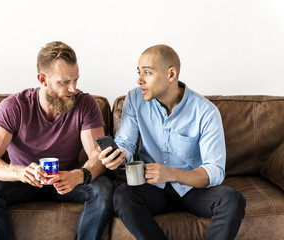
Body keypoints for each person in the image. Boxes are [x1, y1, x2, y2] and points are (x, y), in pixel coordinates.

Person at [99, 44, 246, 240]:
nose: (139, 80)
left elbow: (215, 171)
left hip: (193, 189)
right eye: (139, 72)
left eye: (147, 73)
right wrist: (119, 156)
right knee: (123, 195)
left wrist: (171, 174)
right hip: (152, 189)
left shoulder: (206, 112)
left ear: (171, 74)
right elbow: (125, 142)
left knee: (232, 200)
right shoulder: (134, 99)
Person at [0, 41, 113, 240]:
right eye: (64, 82)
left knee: (104, 187)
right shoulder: (14, 107)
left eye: (76, 80)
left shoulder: (85, 104)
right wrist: (20, 172)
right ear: (42, 79)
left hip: (66, 181)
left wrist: (79, 175)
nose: (73, 89)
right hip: (23, 181)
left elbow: (97, 156)